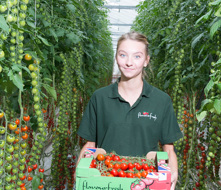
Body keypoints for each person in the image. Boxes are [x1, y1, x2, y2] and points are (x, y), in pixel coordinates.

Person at [76, 31, 183, 189]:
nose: (129, 62)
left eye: (137, 56)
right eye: (123, 55)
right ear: (116, 57)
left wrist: (173, 173)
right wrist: (79, 178)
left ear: (146, 61)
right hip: (105, 182)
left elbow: (168, 148)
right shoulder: (100, 98)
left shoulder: (161, 101)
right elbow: (90, 145)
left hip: (146, 182)